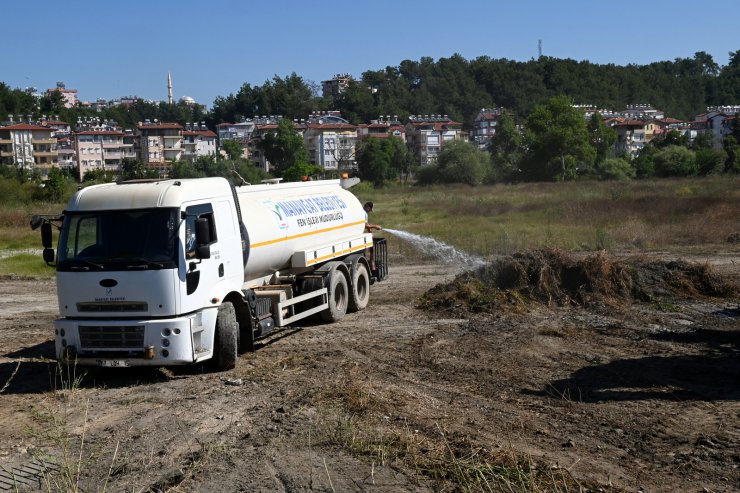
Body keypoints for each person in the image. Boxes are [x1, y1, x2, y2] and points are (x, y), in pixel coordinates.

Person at [363, 202, 381, 270]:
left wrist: (370, 232)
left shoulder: (365, 213)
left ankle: (371, 264)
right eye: (370, 209)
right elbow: (365, 225)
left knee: (371, 248)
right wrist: (375, 226)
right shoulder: (363, 213)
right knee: (368, 249)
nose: (370, 211)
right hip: (361, 235)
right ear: (367, 206)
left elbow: (367, 225)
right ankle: (371, 264)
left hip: (364, 235)